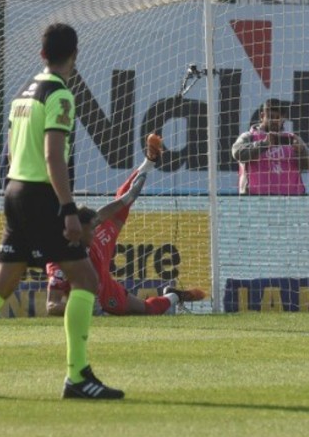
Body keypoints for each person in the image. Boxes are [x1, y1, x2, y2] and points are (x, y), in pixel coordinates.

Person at [0, 22, 122, 401]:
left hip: (14, 189)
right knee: (87, 281)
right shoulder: (59, 94)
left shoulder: (23, 94)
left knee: (1, 283)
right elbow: (52, 155)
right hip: (41, 194)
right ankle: (78, 376)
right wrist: (68, 209)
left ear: (41, 54)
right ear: (75, 55)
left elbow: (12, 151)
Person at [43, 135, 209, 317]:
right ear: (78, 230)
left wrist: (132, 191)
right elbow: (51, 306)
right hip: (95, 289)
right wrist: (80, 308)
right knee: (144, 310)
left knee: (148, 310)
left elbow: (110, 210)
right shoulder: (59, 262)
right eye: (91, 228)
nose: (95, 230)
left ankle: (174, 297)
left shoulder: (94, 235)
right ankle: (172, 296)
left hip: (104, 286)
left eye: (95, 226)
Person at [232, 98, 309, 195]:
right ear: (262, 116)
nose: (274, 120)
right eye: (270, 116)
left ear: (283, 119)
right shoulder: (249, 136)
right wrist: (264, 144)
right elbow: (237, 152)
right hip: (254, 200)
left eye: (278, 117)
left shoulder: (292, 139)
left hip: (292, 200)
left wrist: (302, 150)